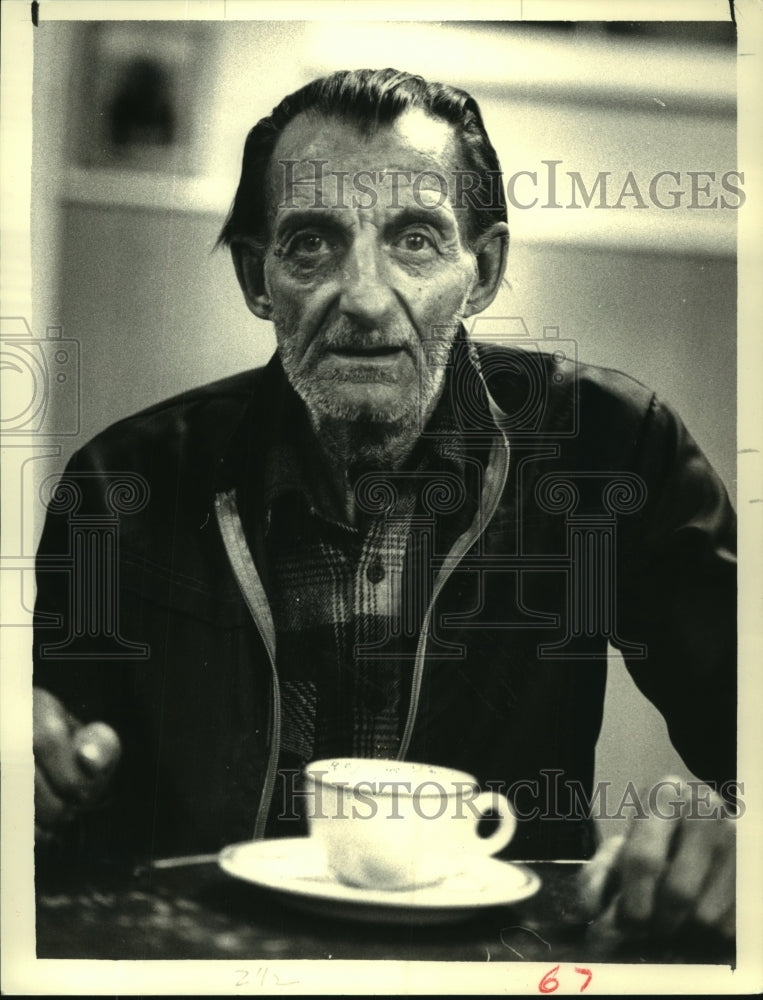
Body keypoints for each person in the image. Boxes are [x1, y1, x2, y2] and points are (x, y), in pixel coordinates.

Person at [33, 69, 736, 942]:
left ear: (483, 270)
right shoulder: (121, 484)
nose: (364, 299)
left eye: (415, 240)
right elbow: (51, 777)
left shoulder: (609, 449)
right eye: (311, 243)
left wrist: (734, 840)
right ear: (257, 277)